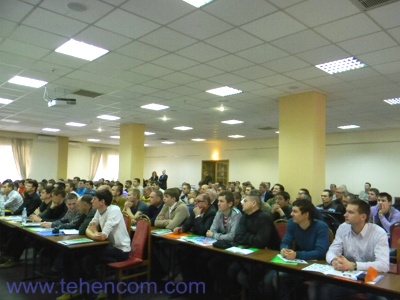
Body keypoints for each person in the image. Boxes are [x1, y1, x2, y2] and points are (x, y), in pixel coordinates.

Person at [309, 199, 389, 300]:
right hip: (347, 275)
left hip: (369, 277)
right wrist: (334, 260)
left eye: (350, 212)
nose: (345, 215)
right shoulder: (343, 228)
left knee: (328, 290)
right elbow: (332, 251)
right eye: (346, 211)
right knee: (316, 285)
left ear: (363, 217)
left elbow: (383, 265)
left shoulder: (378, 233)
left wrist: (354, 265)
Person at [262, 199, 330, 300]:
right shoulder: (292, 223)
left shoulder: (321, 227)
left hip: (316, 266)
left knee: (279, 277)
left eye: (295, 211)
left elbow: (320, 252)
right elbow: (285, 242)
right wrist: (284, 250)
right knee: (269, 278)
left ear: (306, 214)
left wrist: (297, 255)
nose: (291, 214)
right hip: (298, 264)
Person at [82, 189, 131, 298]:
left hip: (121, 250)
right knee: (84, 257)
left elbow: (103, 236)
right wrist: (94, 234)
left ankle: (99, 289)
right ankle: (98, 288)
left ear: (102, 202)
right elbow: (87, 229)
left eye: (94, 199)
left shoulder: (114, 210)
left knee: (88, 258)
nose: (91, 201)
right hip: (109, 247)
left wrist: (94, 233)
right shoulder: (98, 211)